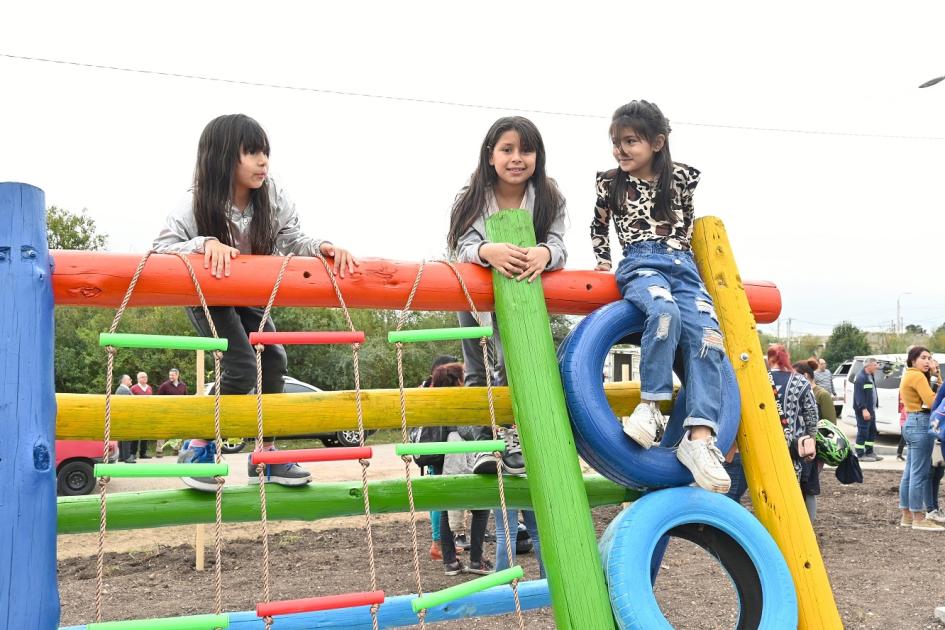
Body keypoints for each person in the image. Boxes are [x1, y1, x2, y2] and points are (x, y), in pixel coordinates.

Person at [152, 113, 358, 492]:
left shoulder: (272, 196)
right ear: (223, 158)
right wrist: (203, 244)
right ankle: (198, 445)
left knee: (274, 359)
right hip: (207, 296)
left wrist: (322, 247)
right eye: (251, 153)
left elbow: (292, 238)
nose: (263, 161)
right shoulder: (195, 204)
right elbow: (161, 249)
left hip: (249, 293)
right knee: (242, 364)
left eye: (265, 152)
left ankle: (268, 455)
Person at [591, 100, 729, 493]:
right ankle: (650, 405)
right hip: (640, 262)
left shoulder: (681, 178)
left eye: (630, 141)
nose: (620, 150)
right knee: (664, 314)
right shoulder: (609, 183)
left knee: (707, 336)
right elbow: (597, 227)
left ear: (657, 142)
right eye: (615, 142)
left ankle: (700, 438)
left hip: (683, 267)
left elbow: (685, 224)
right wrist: (602, 262)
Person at [447, 116, 567, 475]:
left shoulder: (548, 197)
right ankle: (481, 444)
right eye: (507, 150)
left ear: (537, 156)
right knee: (476, 368)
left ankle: (512, 435)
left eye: (526, 150)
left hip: (522, 296)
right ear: (490, 156)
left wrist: (544, 253)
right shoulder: (472, 197)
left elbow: (559, 244)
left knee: (513, 364)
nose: (517, 158)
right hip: (477, 296)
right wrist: (487, 251)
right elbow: (462, 245)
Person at [426, 363, 494, 576]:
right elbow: (465, 431)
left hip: (439, 463)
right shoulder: (457, 401)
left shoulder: (431, 401)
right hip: (460, 464)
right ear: (457, 381)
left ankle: (450, 562)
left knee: (447, 510)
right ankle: (476, 559)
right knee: (481, 510)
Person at [767, 345, 818, 520]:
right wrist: (811, 440)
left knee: (767, 490)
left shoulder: (760, 380)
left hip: (764, 445)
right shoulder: (800, 381)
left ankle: (771, 525)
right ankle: (790, 524)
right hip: (793, 448)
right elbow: (811, 415)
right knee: (791, 489)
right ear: (786, 358)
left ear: (770, 359)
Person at [418, 354, 459, 561]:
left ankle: (443, 542)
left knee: (440, 500)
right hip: (439, 451)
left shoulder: (425, 388)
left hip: (434, 450)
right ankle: (437, 543)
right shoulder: (436, 391)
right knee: (441, 501)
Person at [897, 346, 943, 530]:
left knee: (910, 473)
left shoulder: (910, 374)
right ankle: (918, 517)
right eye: (923, 357)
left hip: (912, 422)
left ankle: (907, 515)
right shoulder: (917, 375)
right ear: (913, 359)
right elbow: (933, 401)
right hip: (920, 423)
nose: (927, 361)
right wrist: (937, 375)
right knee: (919, 473)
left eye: (930, 358)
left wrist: (935, 373)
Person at [852, 358, 883, 462]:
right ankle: (860, 454)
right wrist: (864, 409)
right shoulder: (861, 377)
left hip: (871, 409)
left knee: (872, 430)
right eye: (875, 365)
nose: (877, 367)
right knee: (863, 431)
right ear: (868, 366)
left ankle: (869, 452)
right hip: (864, 411)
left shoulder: (870, 376)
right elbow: (859, 396)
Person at [155, 368, 188, 456]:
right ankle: (159, 450)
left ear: (177, 375)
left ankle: (176, 449)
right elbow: (158, 398)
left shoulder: (183, 386)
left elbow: (186, 399)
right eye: (170, 375)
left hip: (178, 412)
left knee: (177, 430)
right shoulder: (164, 386)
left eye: (173, 375)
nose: (171, 377)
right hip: (166, 412)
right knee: (163, 431)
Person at [129, 372, 154, 459]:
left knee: (145, 434)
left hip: (147, 414)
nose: (145, 378)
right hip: (137, 414)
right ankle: (133, 453)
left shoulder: (149, 388)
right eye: (142, 377)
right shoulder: (133, 388)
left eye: (146, 377)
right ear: (138, 379)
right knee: (135, 435)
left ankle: (143, 453)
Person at [115, 374, 137, 463]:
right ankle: (127, 457)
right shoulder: (123, 390)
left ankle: (121, 456)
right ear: (123, 381)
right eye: (129, 379)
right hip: (126, 417)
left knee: (122, 437)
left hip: (123, 417)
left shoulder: (122, 389)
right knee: (127, 437)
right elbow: (127, 405)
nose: (131, 380)